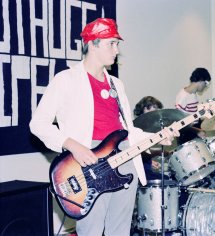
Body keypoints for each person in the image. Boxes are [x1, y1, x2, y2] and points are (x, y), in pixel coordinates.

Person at [29, 18, 177, 236]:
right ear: (93, 44)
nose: (117, 50)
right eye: (112, 44)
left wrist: (157, 136)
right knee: (91, 230)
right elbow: (38, 124)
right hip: (88, 164)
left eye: (117, 44)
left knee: (120, 230)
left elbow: (126, 129)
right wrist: (74, 146)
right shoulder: (66, 80)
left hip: (125, 160)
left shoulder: (117, 85)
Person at [133, 96, 170, 180]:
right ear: (142, 110)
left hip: (145, 166)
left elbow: (143, 153)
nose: (152, 113)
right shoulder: (135, 129)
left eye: (155, 110)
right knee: (167, 179)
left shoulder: (150, 129)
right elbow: (136, 152)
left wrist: (150, 161)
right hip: (138, 171)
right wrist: (157, 152)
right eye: (149, 109)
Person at [175, 67, 211, 144]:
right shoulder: (183, 96)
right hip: (186, 136)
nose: (206, 86)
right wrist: (197, 131)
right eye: (206, 83)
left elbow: (192, 117)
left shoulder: (192, 94)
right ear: (201, 80)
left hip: (193, 132)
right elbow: (179, 122)